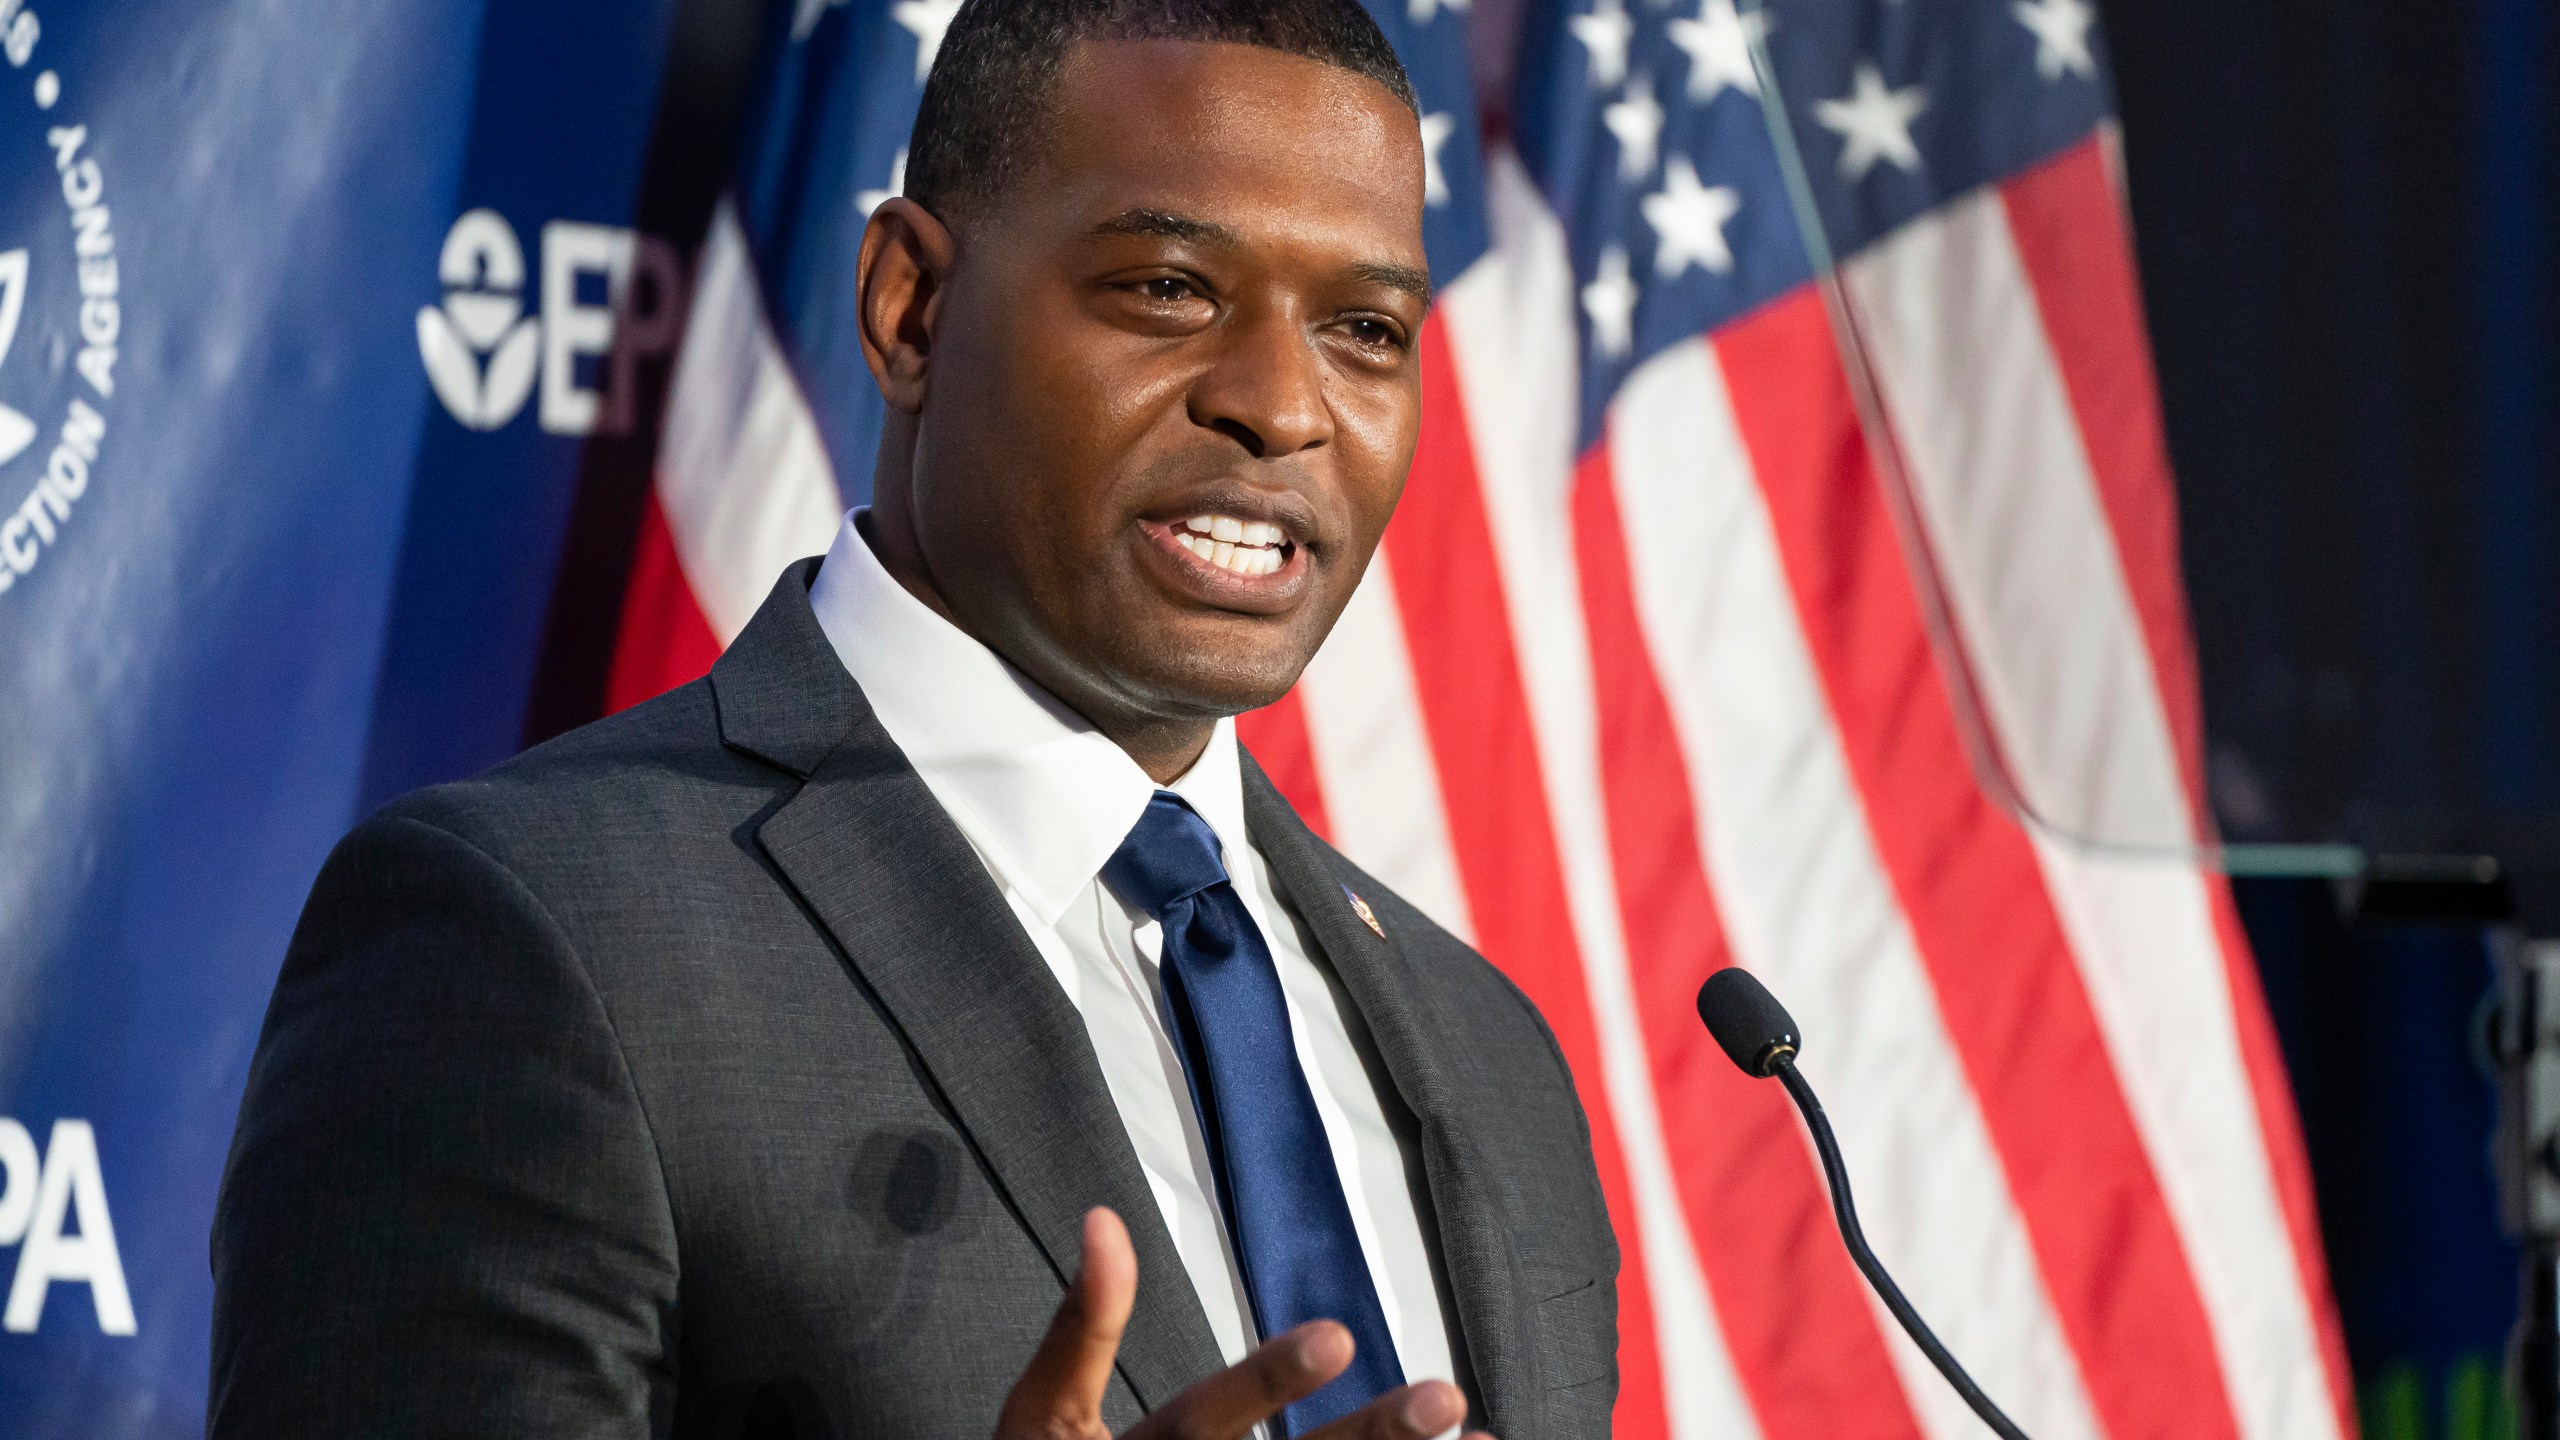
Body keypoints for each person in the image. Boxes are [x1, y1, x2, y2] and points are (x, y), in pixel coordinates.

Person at [208, 2, 1618, 1436]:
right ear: (910, 308)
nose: (1282, 406)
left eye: (1365, 329)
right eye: (1169, 290)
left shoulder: (1488, 1051)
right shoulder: (530, 938)